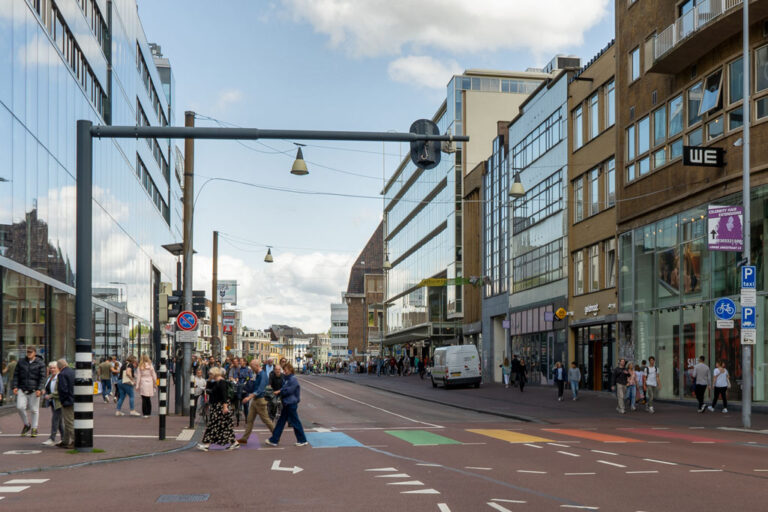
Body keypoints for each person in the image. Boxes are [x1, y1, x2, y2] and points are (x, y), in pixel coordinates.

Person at [265, 363, 308, 447]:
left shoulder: (293, 379)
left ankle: (302, 440)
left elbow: (288, 391)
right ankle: (274, 440)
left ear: (290, 370)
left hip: (291, 403)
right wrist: (279, 391)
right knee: (281, 422)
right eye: (283, 370)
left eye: (285, 370)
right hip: (287, 403)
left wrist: (279, 392)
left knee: (295, 422)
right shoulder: (287, 379)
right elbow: (284, 388)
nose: (284, 371)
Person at [197, 368, 238, 451]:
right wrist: (209, 380)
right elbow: (209, 389)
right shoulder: (216, 382)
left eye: (210, 374)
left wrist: (225, 407)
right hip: (217, 406)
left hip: (220, 407)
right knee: (224, 426)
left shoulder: (222, 382)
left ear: (214, 374)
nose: (209, 376)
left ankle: (207, 444)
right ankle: (234, 443)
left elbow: (224, 395)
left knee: (213, 425)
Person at [12, 346, 46, 437]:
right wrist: (14, 386)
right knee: (19, 407)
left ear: (35, 353)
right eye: (27, 352)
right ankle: (27, 424)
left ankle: (34, 428)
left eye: (30, 352)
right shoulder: (21, 362)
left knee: (34, 410)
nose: (29, 353)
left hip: (34, 390)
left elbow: (42, 377)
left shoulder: (40, 363)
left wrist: (39, 389)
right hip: (22, 389)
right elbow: (16, 375)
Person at [238, 360, 274, 444]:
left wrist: (249, 397)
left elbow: (260, 389)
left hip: (260, 400)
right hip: (255, 400)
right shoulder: (257, 374)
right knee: (250, 419)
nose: (251, 368)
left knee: (266, 420)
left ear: (256, 365)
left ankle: (276, 435)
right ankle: (244, 438)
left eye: (252, 366)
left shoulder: (262, 375)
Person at [42, 362, 64, 446]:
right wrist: (44, 391)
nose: (52, 370)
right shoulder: (50, 377)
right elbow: (47, 387)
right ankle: (64, 438)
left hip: (59, 402)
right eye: (51, 368)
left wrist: (50, 395)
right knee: (59, 421)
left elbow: (60, 390)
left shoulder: (60, 377)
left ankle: (52, 438)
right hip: (52, 402)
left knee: (55, 419)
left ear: (58, 368)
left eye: (54, 368)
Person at [56, 359, 75, 449]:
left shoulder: (62, 374)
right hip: (74, 399)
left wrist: (63, 401)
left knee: (69, 422)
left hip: (67, 401)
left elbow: (63, 389)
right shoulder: (73, 372)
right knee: (68, 421)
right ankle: (65, 440)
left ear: (59, 367)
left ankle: (75, 440)